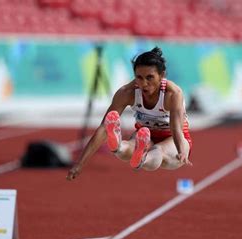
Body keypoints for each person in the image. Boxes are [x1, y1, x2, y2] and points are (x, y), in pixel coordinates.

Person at [66, 47, 192, 181]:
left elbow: (176, 128)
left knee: (158, 151)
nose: (144, 84)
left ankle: (134, 154)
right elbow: (103, 128)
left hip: (173, 138)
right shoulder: (127, 92)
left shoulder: (173, 94)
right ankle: (119, 145)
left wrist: (181, 151)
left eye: (150, 77)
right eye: (139, 77)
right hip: (144, 135)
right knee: (133, 147)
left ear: (162, 75)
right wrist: (79, 163)